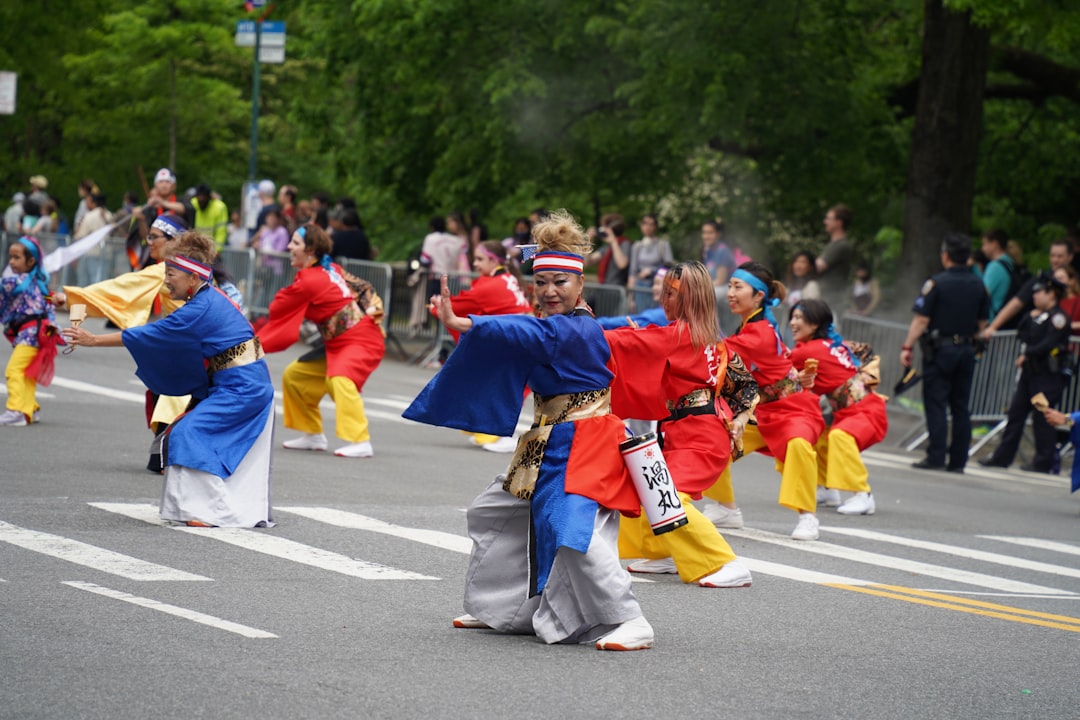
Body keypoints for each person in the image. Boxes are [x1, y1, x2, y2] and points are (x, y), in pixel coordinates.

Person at [404, 210, 654, 651]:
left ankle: (629, 618)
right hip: (549, 441)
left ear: (580, 287)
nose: (550, 290)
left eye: (561, 282)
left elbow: (526, 334)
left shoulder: (571, 331)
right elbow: (531, 331)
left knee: (569, 526)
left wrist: (469, 324)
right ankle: (514, 610)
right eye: (542, 282)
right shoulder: (566, 324)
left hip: (585, 442)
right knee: (498, 511)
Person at [62, 232, 274, 527]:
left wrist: (94, 339)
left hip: (244, 388)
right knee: (181, 432)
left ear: (191, 277)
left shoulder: (200, 308)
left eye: (171, 274)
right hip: (239, 384)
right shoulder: (206, 299)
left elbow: (151, 334)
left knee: (189, 432)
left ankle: (215, 512)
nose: (166, 281)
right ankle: (187, 509)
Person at [605, 261, 757, 588]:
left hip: (700, 435)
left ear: (690, 298)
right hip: (689, 431)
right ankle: (662, 552)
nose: (663, 299)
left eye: (671, 293)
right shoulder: (709, 339)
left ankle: (724, 561)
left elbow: (623, 344)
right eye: (663, 291)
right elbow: (747, 385)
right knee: (647, 483)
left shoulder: (680, 335)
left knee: (669, 496)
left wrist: (580, 329)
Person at [699, 261, 825, 540]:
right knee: (714, 436)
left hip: (793, 408)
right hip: (761, 409)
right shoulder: (757, 323)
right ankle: (726, 508)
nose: (730, 293)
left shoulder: (759, 332)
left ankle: (808, 517)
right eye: (729, 286)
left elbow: (716, 353)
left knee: (798, 446)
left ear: (758, 296)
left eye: (737, 287)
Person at [257, 223, 386, 458]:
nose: (289, 246)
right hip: (339, 342)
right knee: (296, 376)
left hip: (361, 338)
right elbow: (363, 287)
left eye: (295, 243)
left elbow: (278, 308)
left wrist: (247, 344)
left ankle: (360, 440)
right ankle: (313, 434)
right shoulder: (330, 269)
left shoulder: (311, 279)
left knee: (340, 379)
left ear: (311, 249)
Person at [900, 233, 989, 472]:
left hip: (941, 350)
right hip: (966, 349)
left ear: (946, 255)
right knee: (961, 405)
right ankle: (958, 460)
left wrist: (907, 346)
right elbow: (982, 324)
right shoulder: (978, 285)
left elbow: (921, 320)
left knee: (936, 403)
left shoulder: (937, 283)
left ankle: (936, 456)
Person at [790, 298, 887, 515]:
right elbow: (868, 351)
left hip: (864, 410)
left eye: (799, 318)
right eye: (792, 317)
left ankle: (863, 494)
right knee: (819, 436)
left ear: (814, 324)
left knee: (839, 437)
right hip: (859, 408)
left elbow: (778, 372)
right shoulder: (834, 343)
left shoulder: (806, 351)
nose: (793, 323)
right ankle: (826, 488)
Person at [438, 240, 533, 453]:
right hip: (518, 338)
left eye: (480, 259)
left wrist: (438, 307)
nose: (475, 263)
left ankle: (498, 433)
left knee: (500, 386)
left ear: (494, 260)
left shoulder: (491, 285)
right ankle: (489, 430)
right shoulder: (507, 278)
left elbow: (462, 305)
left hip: (516, 340)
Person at [977, 274, 1071, 473]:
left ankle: (1043, 461)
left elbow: (1047, 344)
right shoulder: (1035, 316)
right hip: (1029, 376)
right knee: (1016, 414)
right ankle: (1002, 457)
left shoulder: (1058, 318)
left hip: (1045, 376)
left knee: (1042, 417)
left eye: (1039, 292)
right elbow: (1023, 333)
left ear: (1051, 293)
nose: (1034, 296)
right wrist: (1032, 318)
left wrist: (1027, 354)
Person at [0, 237, 64, 426]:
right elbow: (49, 303)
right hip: (40, 333)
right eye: (10, 257)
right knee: (27, 373)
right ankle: (29, 408)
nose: (11, 262)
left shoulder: (15, 281)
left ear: (31, 261)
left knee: (14, 370)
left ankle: (16, 409)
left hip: (31, 334)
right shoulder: (39, 284)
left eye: (16, 258)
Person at [983, 238, 1074, 339]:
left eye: (1060, 256)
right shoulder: (1040, 280)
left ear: (1070, 257)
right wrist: (993, 327)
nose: (1055, 260)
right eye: (1052, 255)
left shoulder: (1076, 283)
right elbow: (1016, 303)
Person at [626, 214, 674, 312]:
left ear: (655, 227)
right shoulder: (637, 246)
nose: (648, 227)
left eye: (651, 224)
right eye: (645, 224)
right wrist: (631, 298)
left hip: (656, 286)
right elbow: (633, 272)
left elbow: (669, 267)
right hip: (640, 286)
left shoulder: (663, 245)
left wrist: (653, 271)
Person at [817, 204, 855, 310]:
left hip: (831, 302)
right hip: (825, 300)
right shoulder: (832, 244)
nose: (825, 222)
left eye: (829, 219)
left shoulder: (842, 245)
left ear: (839, 223)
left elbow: (818, 267)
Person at [74, 192, 115, 287]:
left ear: (93, 203)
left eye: (88, 201)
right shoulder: (109, 215)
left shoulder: (89, 216)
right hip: (105, 253)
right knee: (101, 282)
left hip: (90, 253)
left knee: (85, 281)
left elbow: (80, 235)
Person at [588, 213, 631, 287]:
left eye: (603, 227)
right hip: (604, 290)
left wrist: (613, 241)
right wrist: (588, 242)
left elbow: (622, 264)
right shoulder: (606, 248)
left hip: (617, 291)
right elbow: (588, 262)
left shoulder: (625, 243)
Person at [191, 184, 229, 252]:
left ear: (209, 197)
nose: (201, 199)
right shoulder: (192, 204)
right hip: (194, 248)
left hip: (211, 248)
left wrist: (216, 251)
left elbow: (221, 232)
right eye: (199, 196)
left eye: (203, 197)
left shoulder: (219, 208)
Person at [701, 220, 736, 289]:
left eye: (710, 233)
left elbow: (720, 281)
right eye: (704, 232)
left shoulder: (722, 251)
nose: (706, 236)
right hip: (716, 286)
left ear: (718, 234)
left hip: (729, 287)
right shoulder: (708, 250)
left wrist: (701, 287)